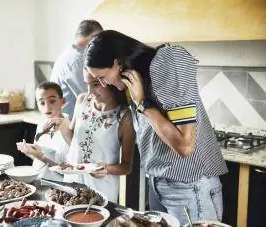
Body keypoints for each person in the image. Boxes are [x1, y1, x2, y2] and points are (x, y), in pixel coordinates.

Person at [83, 30, 228, 225]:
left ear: (117, 62)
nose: (103, 83)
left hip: (190, 186)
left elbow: (185, 146)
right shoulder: (133, 83)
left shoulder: (168, 61)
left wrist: (143, 103)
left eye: (101, 77)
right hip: (158, 185)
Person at [45, 70, 136, 203]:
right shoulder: (82, 100)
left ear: (109, 81)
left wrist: (106, 169)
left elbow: (126, 167)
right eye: (87, 84)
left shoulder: (125, 117)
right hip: (73, 181)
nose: (90, 91)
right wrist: (61, 123)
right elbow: (73, 141)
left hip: (102, 188)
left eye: (95, 84)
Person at [50, 20, 103, 120]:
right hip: (69, 125)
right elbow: (91, 97)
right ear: (94, 37)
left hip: (64, 123)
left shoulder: (68, 54)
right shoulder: (78, 60)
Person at [16, 82, 69, 181]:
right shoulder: (42, 124)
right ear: (38, 105)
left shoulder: (69, 130)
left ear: (63, 102)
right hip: (38, 180)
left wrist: (41, 157)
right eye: (42, 103)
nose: (47, 107)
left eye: (52, 101)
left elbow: (68, 172)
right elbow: (39, 160)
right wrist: (30, 152)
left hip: (59, 187)